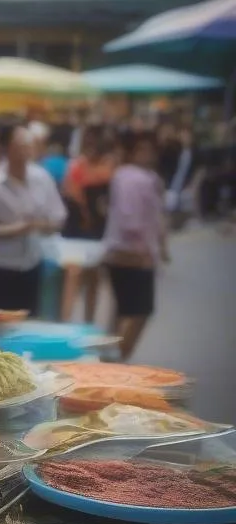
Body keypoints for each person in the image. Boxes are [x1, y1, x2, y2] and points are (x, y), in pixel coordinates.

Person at [0, 122, 66, 315]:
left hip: (32, 262)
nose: (26, 149)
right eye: (20, 144)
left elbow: (58, 217)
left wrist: (40, 226)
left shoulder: (42, 178)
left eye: (28, 144)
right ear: (7, 148)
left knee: (28, 321)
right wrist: (16, 228)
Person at [103, 129, 168, 360]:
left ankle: (107, 358)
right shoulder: (139, 178)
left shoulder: (126, 175)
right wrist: (148, 252)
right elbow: (132, 221)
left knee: (122, 309)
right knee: (140, 310)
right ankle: (117, 358)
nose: (147, 154)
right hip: (132, 253)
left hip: (119, 251)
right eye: (142, 149)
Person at [62, 125, 114, 323]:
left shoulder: (107, 167)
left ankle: (88, 323)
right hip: (77, 229)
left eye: (95, 140)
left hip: (98, 230)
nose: (91, 145)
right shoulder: (77, 166)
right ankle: (66, 323)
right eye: (88, 140)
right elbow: (70, 194)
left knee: (93, 278)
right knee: (73, 276)